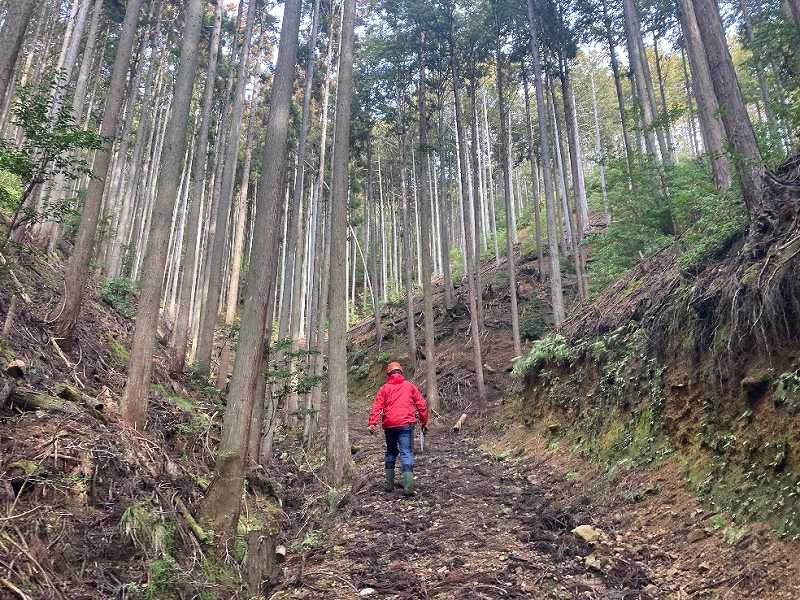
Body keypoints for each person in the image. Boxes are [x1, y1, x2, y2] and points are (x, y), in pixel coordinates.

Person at [368, 361, 428, 496]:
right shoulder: (409, 386)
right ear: (401, 372)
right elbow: (422, 405)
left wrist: (372, 423)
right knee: (406, 452)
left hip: (389, 425)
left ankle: (389, 485)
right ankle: (408, 486)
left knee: (390, 452)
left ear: (388, 374)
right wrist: (424, 422)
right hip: (406, 425)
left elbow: (377, 406)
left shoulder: (384, 388)